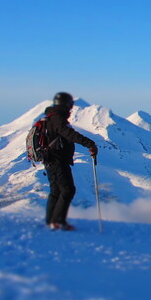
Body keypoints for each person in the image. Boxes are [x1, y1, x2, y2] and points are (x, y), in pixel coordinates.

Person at [44, 92, 98, 231]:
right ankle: (57, 222)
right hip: (57, 160)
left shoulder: (50, 118)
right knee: (68, 190)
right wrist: (89, 143)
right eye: (70, 105)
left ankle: (51, 222)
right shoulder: (58, 118)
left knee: (56, 191)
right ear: (66, 104)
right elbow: (68, 133)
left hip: (50, 159)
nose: (71, 108)